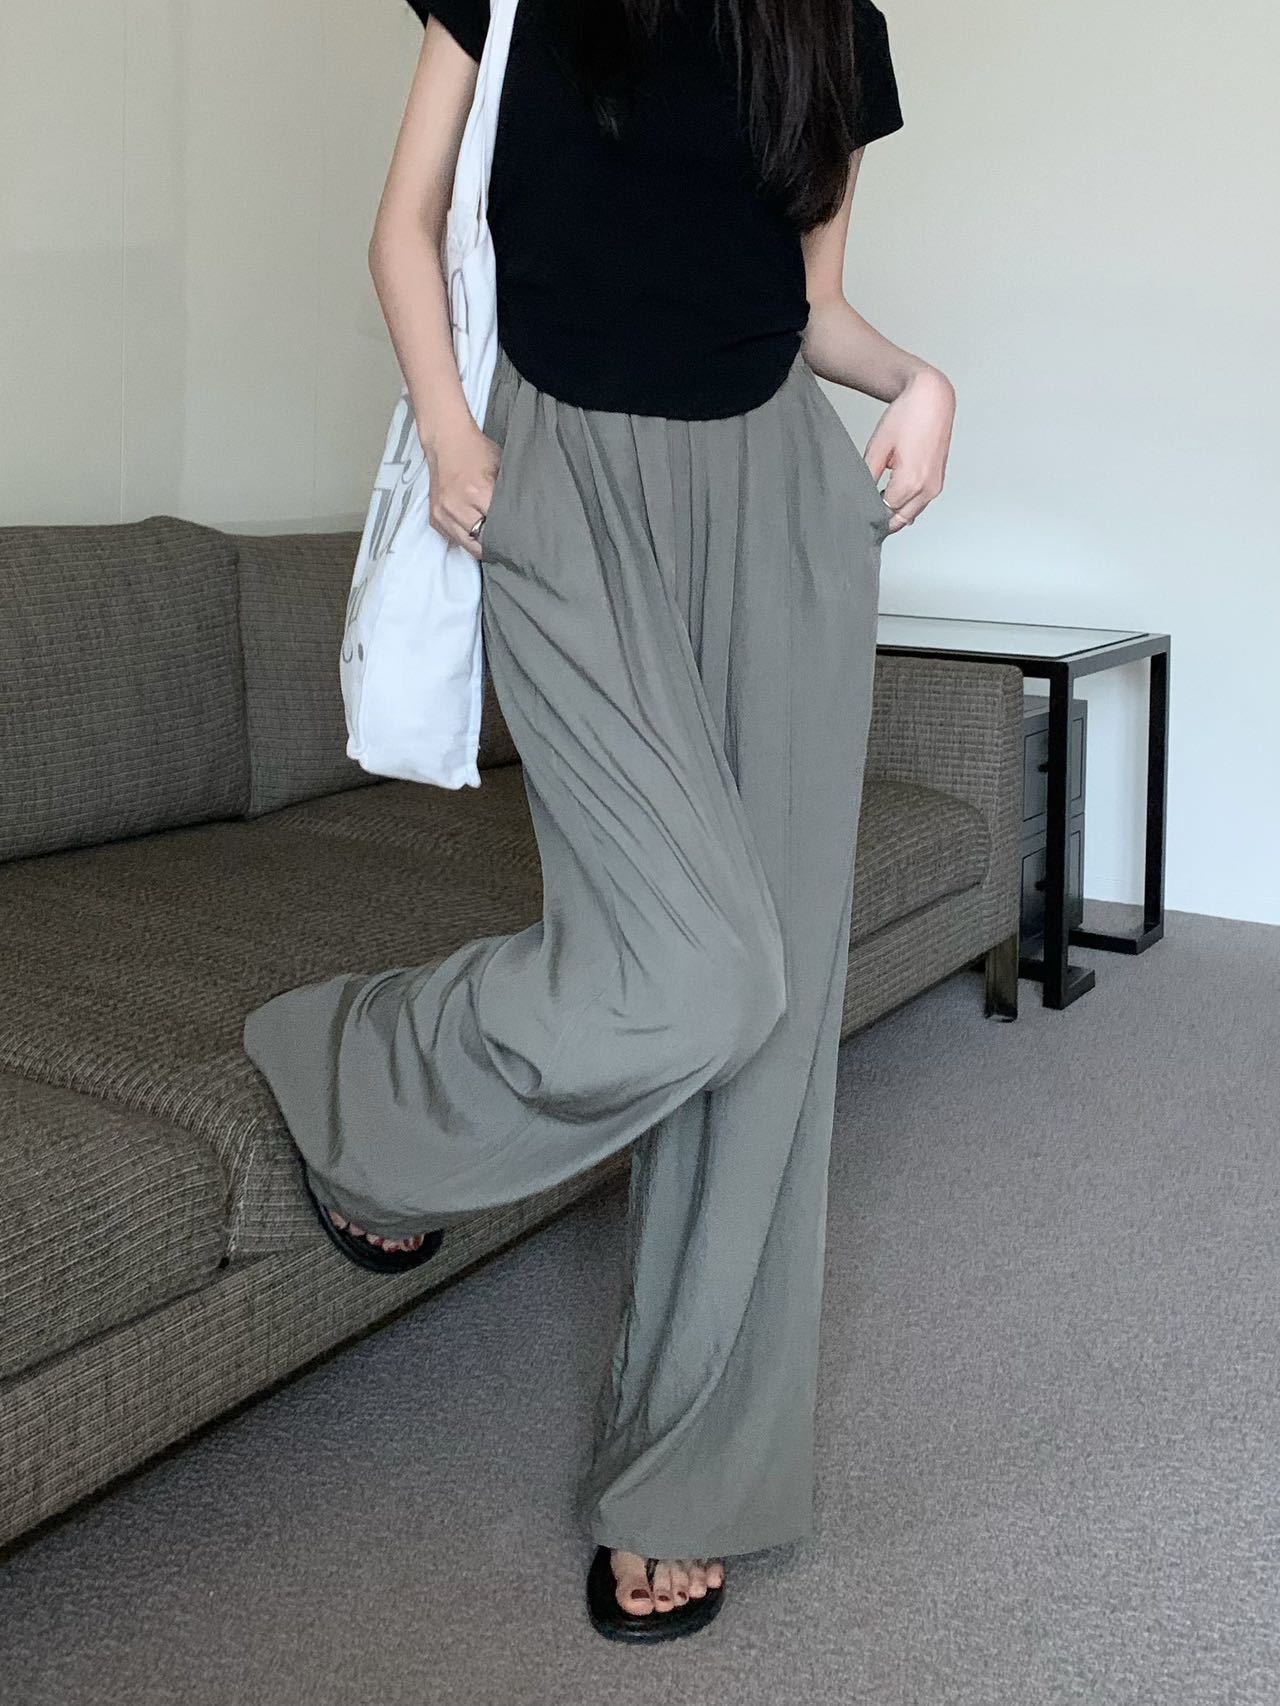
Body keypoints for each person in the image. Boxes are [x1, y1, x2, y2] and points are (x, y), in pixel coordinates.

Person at [242, 0, 954, 1643]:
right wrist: (450, 431)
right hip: (560, 488)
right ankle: (360, 1072)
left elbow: (809, 307)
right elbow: (405, 224)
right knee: (694, 971)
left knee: (776, 1022)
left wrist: (920, 379)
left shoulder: (831, 22)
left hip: (779, 502)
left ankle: (687, 1477)